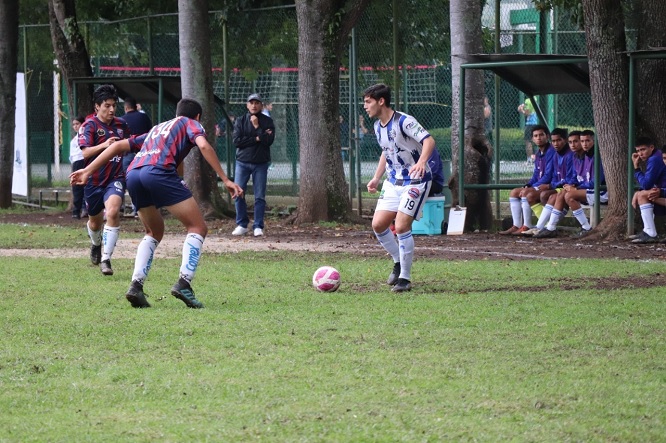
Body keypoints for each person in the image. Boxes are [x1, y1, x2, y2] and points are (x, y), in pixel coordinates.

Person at [70, 98, 243, 309]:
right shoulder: (191, 124)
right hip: (158, 172)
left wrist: (87, 170)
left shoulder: (158, 129)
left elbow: (118, 147)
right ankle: (184, 283)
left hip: (133, 174)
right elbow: (204, 145)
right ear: (197, 117)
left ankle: (136, 286)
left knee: (154, 231)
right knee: (197, 227)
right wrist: (225, 179)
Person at [364, 83, 436, 293]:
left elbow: (429, 141)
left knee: (402, 226)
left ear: (381, 101)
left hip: (415, 181)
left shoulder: (404, 121)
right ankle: (398, 261)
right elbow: (386, 152)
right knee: (378, 225)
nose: (365, 107)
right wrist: (376, 177)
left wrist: (422, 162)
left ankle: (405, 278)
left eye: (368, 102)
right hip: (393, 181)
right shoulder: (378, 126)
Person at [78, 84, 131, 276]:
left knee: (113, 212)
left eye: (114, 105)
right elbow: (85, 152)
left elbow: (129, 144)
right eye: (107, 105)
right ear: (97, 107)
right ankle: (95, 243)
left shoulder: (121, 125)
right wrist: (105, 146)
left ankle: (106, 259)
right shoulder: (89, 126)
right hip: (93, 181)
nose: (111, 109)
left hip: (115, 178)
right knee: (94, 223)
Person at [232, 93, 275, 237]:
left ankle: (258, 226)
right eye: (251, 103)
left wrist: (257, 127)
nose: (254, 105)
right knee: (238, 193)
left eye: (257, 103)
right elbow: (237, 141)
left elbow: (268, 141)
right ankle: (242, 224)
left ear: (261, 105)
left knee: (259, 196)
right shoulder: (240, 121)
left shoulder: (268, 121)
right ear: (247, 105)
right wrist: (257, 138)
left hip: (261, 164)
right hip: (242, 162)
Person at [499, 125, 555, 235]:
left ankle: (527, 225)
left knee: (525, 193)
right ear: (533, 139)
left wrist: (534, 187)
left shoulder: (551, 152)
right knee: (514, 192)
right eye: (536, 136)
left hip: (549, 186)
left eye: (541, 135)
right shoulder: (538, 154)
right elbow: (536, 174)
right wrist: (529, 184)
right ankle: (516, 225)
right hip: (540, 185)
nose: (538, 138)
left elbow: (548, 176)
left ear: (547, 136)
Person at [525, 128, 574, 237]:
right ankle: (541, 227)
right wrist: (530, 184)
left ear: (565, 140)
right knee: (530, 194)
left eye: (558, 140)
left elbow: (571, 178)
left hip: (571, 187)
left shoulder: (570, 155)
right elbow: (552, 175)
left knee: (549, 196)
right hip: (560, 186)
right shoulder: (555, 154)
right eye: (554, 141)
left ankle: (546, 227)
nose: (555, 144)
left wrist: (550, 185)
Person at [629, 136, 666, 243]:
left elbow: (646, 184)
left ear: (651, 147)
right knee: (642, 194)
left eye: (643, 149)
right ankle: (647, 230)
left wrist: (636, 168)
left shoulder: (654, 159)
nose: (640, 154)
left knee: (642, 195)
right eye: (638, 151)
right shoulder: (657, 155)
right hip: (662, 191)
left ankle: (650, 232)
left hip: (663, 192)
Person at [121, 97, 153, 173]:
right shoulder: (144, 117)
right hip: (143, 153)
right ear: (135, 107)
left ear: (126, 108)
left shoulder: (121, 120)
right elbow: (150, 133)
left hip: (128, 153)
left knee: (126, 178)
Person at [69, 115, 86, 219]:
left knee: (83, 185)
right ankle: (77, 211)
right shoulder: (75, 138)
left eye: (77, 124)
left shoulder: (85, 135)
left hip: (82, 160)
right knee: (76, 186)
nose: (75, 126)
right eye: (74, 124)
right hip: (75, 162)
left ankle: (84, 209)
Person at [518, 97, 538, 163]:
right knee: (535, 142)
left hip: (530, 124)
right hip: (535, 123)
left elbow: (527, 113)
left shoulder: (528, 100)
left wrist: (522, 110)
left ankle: (530, 159)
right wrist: (522, 106)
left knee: (528, 142)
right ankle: (535, 158)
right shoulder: (535, 98)